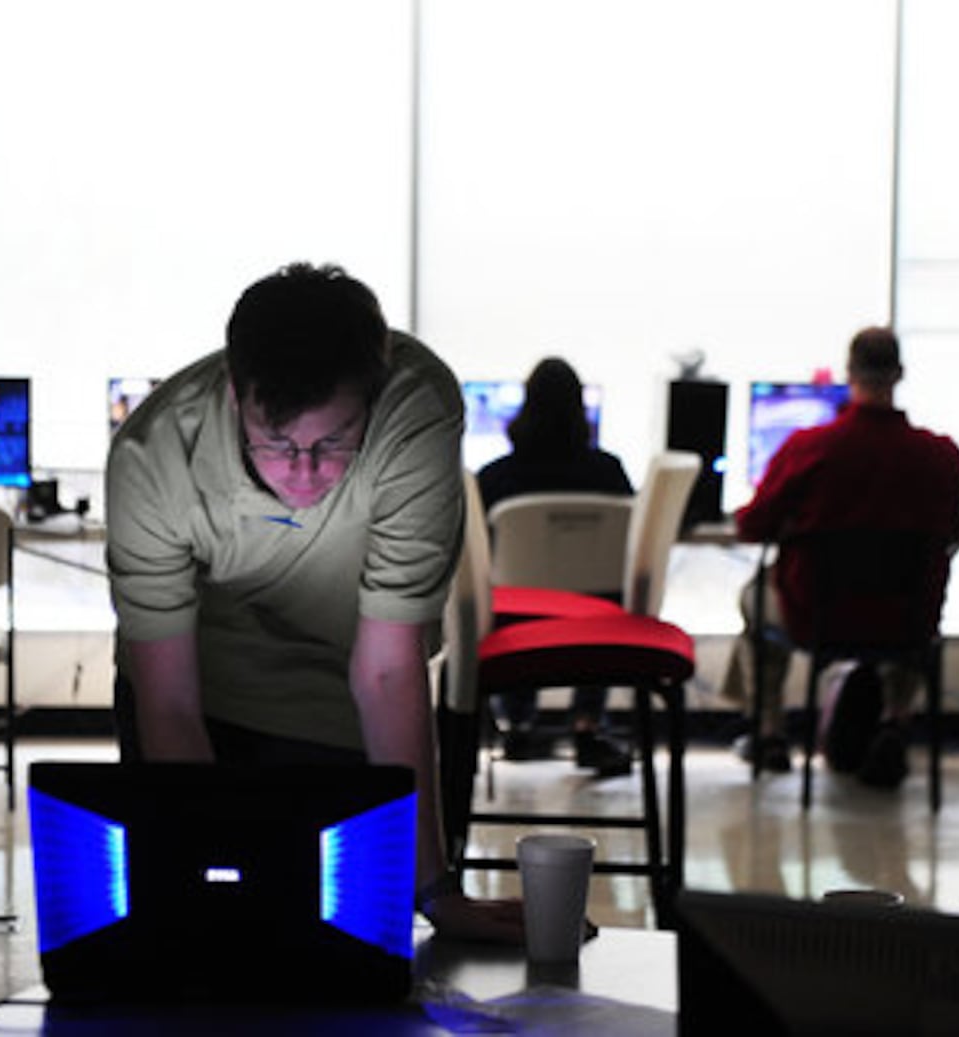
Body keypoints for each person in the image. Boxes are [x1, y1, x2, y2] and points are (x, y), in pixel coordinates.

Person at [106, 262, 521, 943]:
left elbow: (386, 669)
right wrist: (215, 867)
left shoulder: (415, 408)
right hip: (201, 697)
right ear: (236, 393)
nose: (304, 471)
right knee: (209, 944)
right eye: (277, 442)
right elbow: (169, 703)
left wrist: (434, 890)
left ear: (373, 390)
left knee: (351, 950)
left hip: (346, 704)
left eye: (332, 441)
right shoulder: (153, 455)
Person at [726, 327, 959, 786]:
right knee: (916, 606)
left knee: (753, 597)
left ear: (848, 374)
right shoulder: (940, 455)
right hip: (908, 622)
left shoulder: (808, 448)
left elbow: (751, 526)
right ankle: (895, 723)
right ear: (899, 374)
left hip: (818, 619)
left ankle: (769, 734)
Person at [476, 357, 635, 776]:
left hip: (515, 633)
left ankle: (518, 725)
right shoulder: (609, 472)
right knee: (600, 601)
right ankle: (587, 727)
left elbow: (474, 557)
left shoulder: (494, 479)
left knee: (512, 598)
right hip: (597, 631)